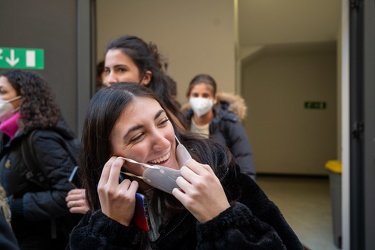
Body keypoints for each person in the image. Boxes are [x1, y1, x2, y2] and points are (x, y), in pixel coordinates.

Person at [67, 82, 303, 249]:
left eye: (162, 122)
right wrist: (111, 229)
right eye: (138, 136)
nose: (162, 141)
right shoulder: (106, 203)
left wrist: (222, 218)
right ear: (109, 157)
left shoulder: (220, 173)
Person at [0, 70, 80, 250]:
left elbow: (68, 194)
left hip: (45, 240)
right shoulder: (9, 136)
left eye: (3, 92)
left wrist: (16, 206)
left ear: (24, 97)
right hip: (21, 237)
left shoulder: (40, 138)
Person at [102, 34, 187, 129]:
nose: (110, 79)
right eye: (108, 71)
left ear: (146, 77)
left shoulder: (166, 120)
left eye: (121, 70)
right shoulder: (106, 112)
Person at [182, 74, 256, 179]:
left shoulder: (229, 122)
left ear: (214, 99)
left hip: (223, 186)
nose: (200, 99)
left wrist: (246, 192)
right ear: (189, 97)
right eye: (195, 95)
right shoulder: (181, 122)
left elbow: (244, 159)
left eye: (205, 95)